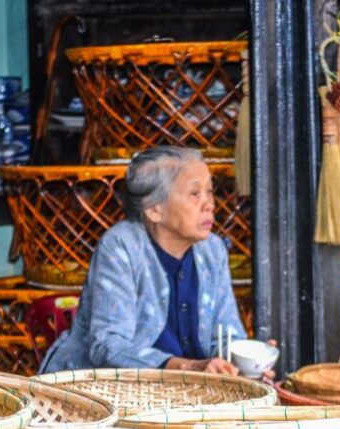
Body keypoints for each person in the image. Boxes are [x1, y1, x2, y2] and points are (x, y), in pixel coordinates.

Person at [40, 146, 261, 376]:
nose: (209, 205)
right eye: (195, 194)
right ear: (154, 210)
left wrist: (246, 362)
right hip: (106, 396)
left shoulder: (212, 250)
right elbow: (107, 345)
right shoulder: (121, 246)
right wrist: (189, 367)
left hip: (188, 396)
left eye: (210, 192)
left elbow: (226, 335)